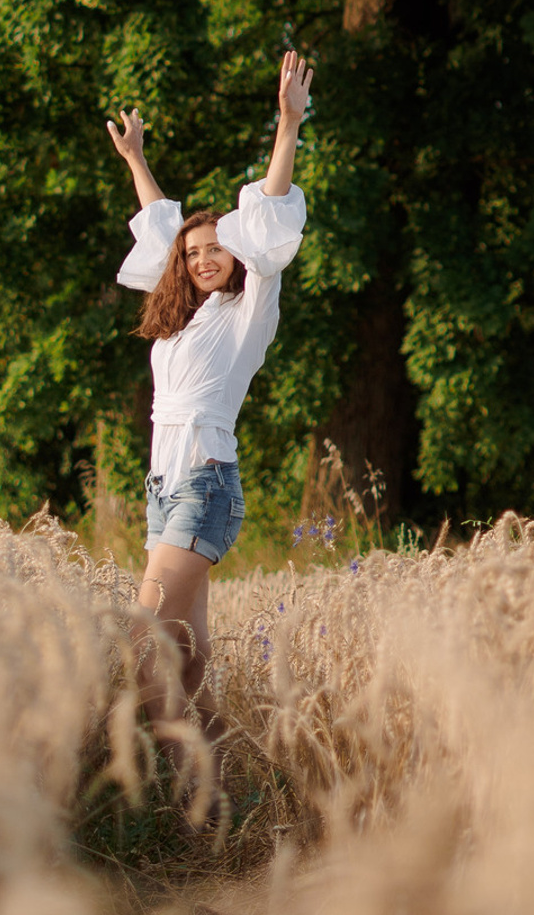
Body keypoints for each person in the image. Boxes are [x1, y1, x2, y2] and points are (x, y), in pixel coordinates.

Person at [105, 48, 314, 799]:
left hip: (204, 485)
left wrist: (287, 124)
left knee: (142, 634)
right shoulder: (177, 323)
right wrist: (137, 158)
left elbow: (267, 218)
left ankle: (177, 798)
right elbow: (163, 229)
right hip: (168, 491)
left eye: (215, 249)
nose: (202, 259)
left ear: (238, 257)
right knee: (186, 659)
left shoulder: (249, 307)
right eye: (193, 254)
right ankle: (225, 804)